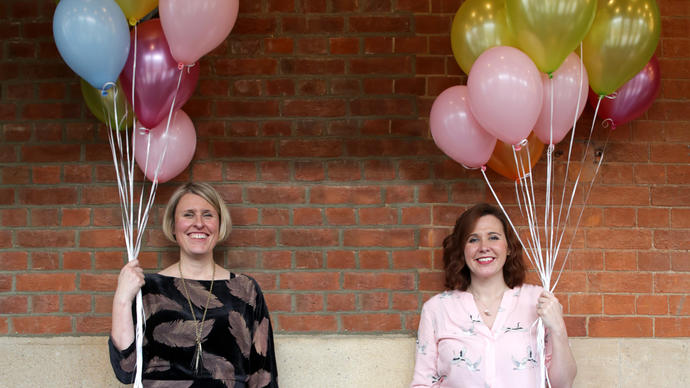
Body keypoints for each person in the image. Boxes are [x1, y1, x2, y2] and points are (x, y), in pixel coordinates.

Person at [109, 182, 278, 387]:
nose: (199, 223)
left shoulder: (246, 289)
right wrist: (122, 299)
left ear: (219, 223)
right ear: (172, 225)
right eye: (188, 214)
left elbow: (264, 374)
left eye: (208, 215)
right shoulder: (149, 289)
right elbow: (126, 370)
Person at [410, 203, 576, 388]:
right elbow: (423, 383)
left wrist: (558, 329)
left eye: (493, 237)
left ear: (509, 247)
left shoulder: (538, 301)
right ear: (462, 250)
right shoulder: (437, 309)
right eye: (473, 240)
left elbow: (563, 384)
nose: (483, 247)